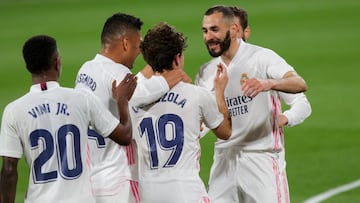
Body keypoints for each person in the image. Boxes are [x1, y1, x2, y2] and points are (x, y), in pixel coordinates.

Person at [0, 35, 137, 203]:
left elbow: (8, 171)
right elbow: (125, 136)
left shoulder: (14, 111)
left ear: (28, 67)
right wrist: (122, 102)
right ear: (57, 62)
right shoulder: (82, 99)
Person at [196, 5, 310, 203]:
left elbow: (300, 84)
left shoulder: (262, 57)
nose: (208, 37)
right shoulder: (207, 72)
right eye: (205, 31)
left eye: (214, 30)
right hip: (224, 160)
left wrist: (269, 84)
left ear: (233, 30)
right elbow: (207, 119)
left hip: (261, 159)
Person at [74, 13, 189, 203]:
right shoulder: (116, 74)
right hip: (119, 180)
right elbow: (144, 92)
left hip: (94, 179)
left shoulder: (86, 69)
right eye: (138, 46)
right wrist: (177, 75)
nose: (138, 52)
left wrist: (152, 67)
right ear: (126, 43)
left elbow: (132, 84)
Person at [131, 22, 231, 203]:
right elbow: (225, 132)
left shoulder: (134, 100)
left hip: (148, 192)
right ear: (177, 59)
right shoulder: (197, 95)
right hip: (186, 190)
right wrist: (220, 92)